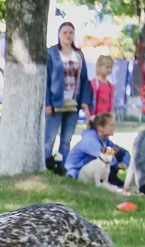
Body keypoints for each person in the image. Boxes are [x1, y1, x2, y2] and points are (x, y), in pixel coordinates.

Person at [45, 21, 91, 175]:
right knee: (49, 138)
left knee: (66, 139)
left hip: (73, 102)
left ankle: (62, 167)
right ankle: (46, 166)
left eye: (71, 32)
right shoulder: (51, 53)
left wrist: (84, 101)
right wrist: (47, 103)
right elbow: (46, 80)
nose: (68, 36)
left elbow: (85, 79)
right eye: (65, 32)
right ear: (59, 34)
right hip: (56, 101)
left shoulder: (78, 54)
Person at [65, 112, 129, 192]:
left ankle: (114, 183)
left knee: (118, 154)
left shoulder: (104, 140)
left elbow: (124, 152)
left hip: (91, 169)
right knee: (104, 162)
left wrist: (125, 163)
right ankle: (117, 184)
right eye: (111, 125)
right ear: (100, 128)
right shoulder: (90, 140)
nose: (114, 128)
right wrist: (117, 164)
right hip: (77, 173)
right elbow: (103, 158)